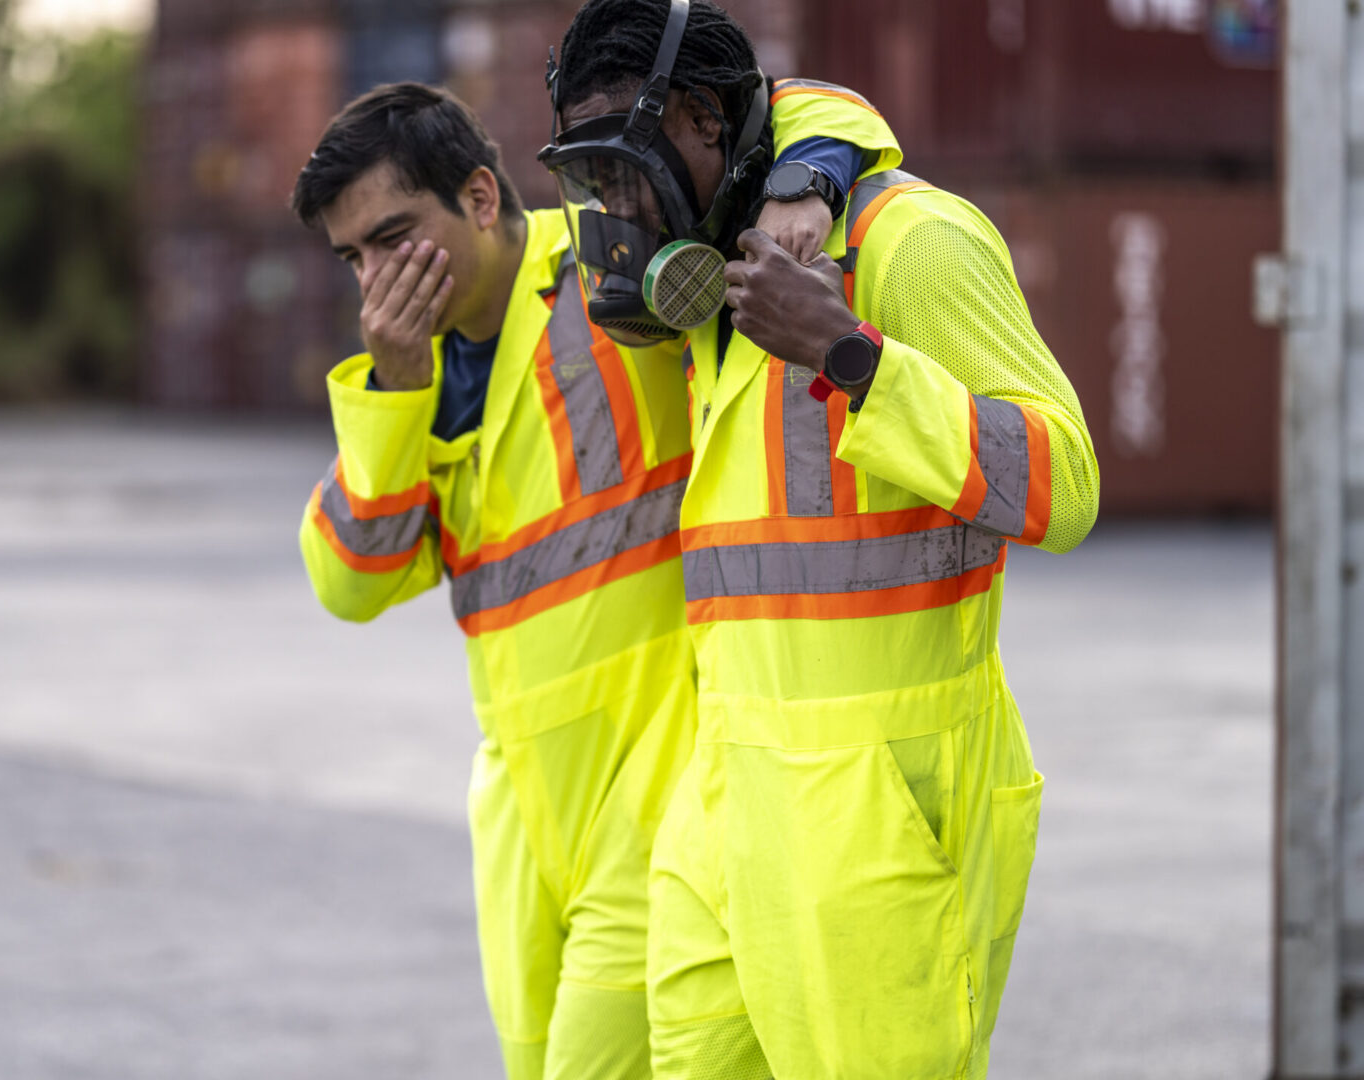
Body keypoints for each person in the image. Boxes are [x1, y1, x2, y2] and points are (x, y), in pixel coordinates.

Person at [292, 79, 898, 1080]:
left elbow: (802, 105)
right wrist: (397, 390)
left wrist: (806, 182)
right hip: (529, 822)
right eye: (355, 257)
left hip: (658, 786)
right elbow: (352, 580)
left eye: (395, 236)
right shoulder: (410, 373)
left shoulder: (614, 256)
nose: (377, 279)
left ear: (482, 197)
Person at [540, 2, 1101, 1077]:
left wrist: (852, 354)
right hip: (728, 812)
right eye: (590, 182)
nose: (614, 210)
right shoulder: (718, 273)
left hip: (879, 819)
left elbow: (1063, 485)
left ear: (704, 120)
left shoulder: (912, 243)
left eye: (622, 172)